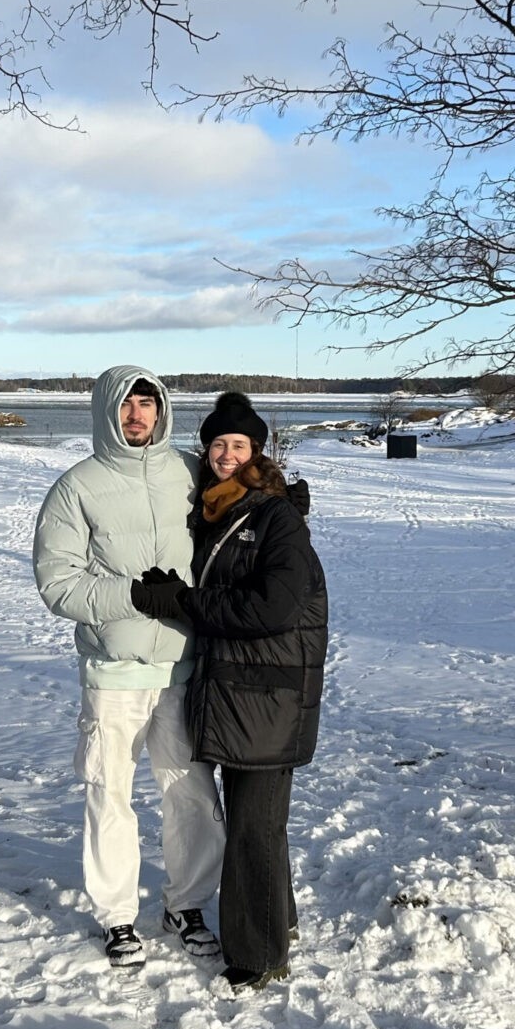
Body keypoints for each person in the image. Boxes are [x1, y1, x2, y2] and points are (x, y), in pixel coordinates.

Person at [130, 391, 327, 992]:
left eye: (238, 445)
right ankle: (279, 923)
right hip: (240, 693)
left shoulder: (273, 518)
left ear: (256, 452)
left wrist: (186, 603)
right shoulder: (222, 513)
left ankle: (256, 956)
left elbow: (272, 606)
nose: (225, 454)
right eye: (217, 444)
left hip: (268, 694)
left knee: (252, 829)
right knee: (259, 822)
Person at [33, 366, 226, 971]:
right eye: (127, 405)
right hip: (114, 674)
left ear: (162, 410)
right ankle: (118, 916)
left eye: (148, 404)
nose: (138, 415)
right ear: (106, 411)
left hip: (182, 667)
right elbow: (57, 583)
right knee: (110, 795)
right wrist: (135, 597)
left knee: (191, 795)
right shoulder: (76, 488)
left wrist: (279, 500)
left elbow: (240, 499)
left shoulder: (189, 473)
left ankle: (187, 905)